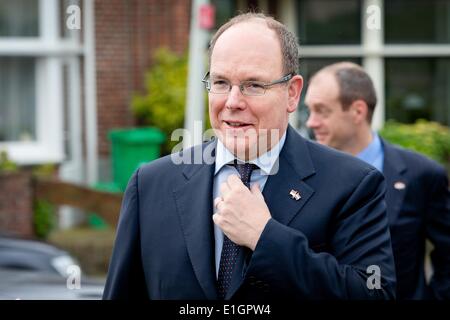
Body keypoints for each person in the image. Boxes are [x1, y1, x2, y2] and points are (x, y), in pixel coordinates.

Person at [103, 13, 396, 300]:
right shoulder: (152, 185)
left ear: (292, 93)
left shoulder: (353, 184)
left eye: (254, 85)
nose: (232, 102)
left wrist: (265, 237)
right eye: (220, 83)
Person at [304, 61, 450, 300]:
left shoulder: (422, 173)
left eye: (322, 110)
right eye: (309, 110)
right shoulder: (302, 174)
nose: (311, 122)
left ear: (358, 111)